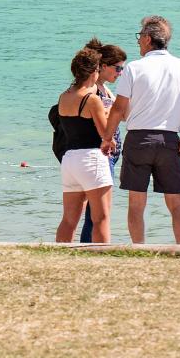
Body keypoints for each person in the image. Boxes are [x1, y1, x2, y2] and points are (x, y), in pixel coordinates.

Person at [105, 16, 180, 245]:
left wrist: (107, 138)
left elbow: (119, 108)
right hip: (169, 139)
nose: (139, 41)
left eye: (140, 37)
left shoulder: (134, 68)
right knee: (176, 202)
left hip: (138, 140)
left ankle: (139, 248)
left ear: (148, 39)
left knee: (136, 204)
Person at [55, 48, 116, 243]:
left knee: (69, 219)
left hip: (70, 159)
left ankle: (59, 256)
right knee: (101, 218)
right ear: (93, 72)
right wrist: (110, 114)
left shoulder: (64, 97)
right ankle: (101, 257)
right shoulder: (92, 100)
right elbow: (106, 134)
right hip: (91, 158)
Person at [80, 38, 128, 243]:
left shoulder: (106, 89)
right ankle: (89, 248)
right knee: (97, 209)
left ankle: (89, 247)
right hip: (101, 151)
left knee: (98, 208)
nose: (120, 73)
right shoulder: (93, 90)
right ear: (104, 66)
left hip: (110, 153)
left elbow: (123, 115)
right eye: (118, 69)